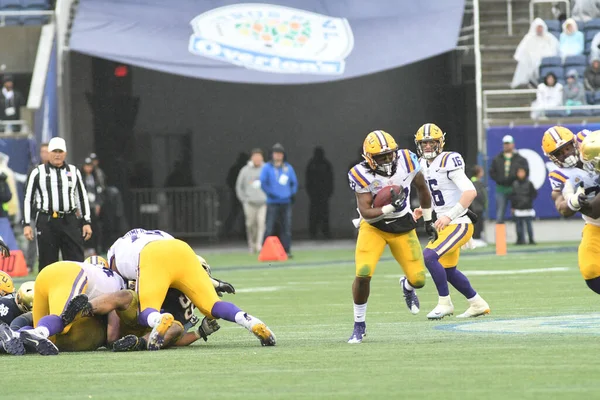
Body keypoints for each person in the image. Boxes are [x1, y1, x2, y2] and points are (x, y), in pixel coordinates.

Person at [104, 228, 276, 349]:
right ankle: (250, 321)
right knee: (212, 305)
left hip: (152, 254)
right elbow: (180, 265)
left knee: (146, 312)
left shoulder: (116, 250)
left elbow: (115, 282)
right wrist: (214, 283)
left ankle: (159, 320)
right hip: (183, 249)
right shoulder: (160, 234)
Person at [347, 130, 433, 343]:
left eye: (389, 155)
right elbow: (366, 212)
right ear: (369, 158)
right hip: (374, 227)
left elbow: (422, 187)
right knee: (363, 272)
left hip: (402, 226)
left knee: (419, 280)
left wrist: (429, 219)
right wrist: (387, 208)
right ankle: (359, 324)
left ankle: (407, 286)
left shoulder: (407, 160)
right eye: (380, 157)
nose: (387, 160)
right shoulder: (360, 173)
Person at [61, 255, 234, 352]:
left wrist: (199, 333)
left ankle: (138, 343)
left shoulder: (192, 303)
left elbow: (174, 338)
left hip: (147, 331)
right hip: (133, 315)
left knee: (176, 327)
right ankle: (82, 308)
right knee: (125, 295)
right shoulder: (169, 276)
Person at [414, 123, 490, 320]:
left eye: (432, 142)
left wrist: (450, 215)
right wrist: (424, 211)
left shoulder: (449, 160)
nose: (428, 146)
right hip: (446, 223)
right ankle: (477, 303)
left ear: (440, 143)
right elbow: (439, 196)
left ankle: (444, 303)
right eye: (424, 143)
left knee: (430, 256)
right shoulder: (422, 164)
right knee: (448, 271)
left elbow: (470, 191)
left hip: (458, 223)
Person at [1, 256, 126, 356]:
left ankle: (14, 334)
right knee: (62, 322)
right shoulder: (119, 283)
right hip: (71, 274)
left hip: (46, 273)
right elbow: (112, 335)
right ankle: (38, 331)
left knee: (42, 334)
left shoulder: (94, 270)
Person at [541, 126, 600, 296]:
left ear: (575, 142)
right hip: (596, 224)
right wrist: (573, 202)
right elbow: (560, 205)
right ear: (553, 158)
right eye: (559, 153)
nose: (565, 154)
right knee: (591, 271)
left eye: (567, 147)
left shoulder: (589, 142)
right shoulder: (559, 174)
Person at [22, 137, 93, 271]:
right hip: (47, 220)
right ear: (48, 153)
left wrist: (86, 221)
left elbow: (82, 198)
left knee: (76, 262)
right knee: (47, 263)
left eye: (60, 151)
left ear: (65, 153)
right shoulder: (38, 172)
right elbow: (28, 199)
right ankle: (47, 292)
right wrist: (26, 224)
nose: (57, 154)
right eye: (54, 151)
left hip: (69, 219)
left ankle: (77, 291)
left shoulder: (74, 171)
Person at [260, 143, 298, 256]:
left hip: (286, 202)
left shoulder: (287, 168)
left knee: (286, 227)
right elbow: (263, 182)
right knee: (270, 226)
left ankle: (286, 250)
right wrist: (271, 194)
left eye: (280, 153)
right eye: (276, 153)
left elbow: (294, 183)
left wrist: (290, 194)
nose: (278, 156)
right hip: (272, 202)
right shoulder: (267, 167)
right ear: (272, 155)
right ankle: (265, 251)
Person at [489, 135, 529, 224]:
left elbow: (525, 172)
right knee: (500, 213)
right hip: (501, 188)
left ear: (513, 144)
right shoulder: (497, 158)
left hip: (515, 189)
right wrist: (499, 180)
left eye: (508, 143)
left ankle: (520, 237)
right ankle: (500, 237)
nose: (506, 145)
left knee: (518, 214)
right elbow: (492, 172)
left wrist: (516, 181)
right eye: (505, 144)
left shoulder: (520, 159)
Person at [511, 18, 559, 88]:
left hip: (545, 60)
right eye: (538, 27)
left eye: (541, 27)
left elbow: (555, 48)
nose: (539, 29)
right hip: (531, 60)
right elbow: (522, 50)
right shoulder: (528, 38)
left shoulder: (549, 37)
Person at [235, 148, 267, 253]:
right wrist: (243, 199)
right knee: (250, 224)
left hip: (263, 202)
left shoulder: (266, 169)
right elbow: (239, 186)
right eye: (255, 156)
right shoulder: (245, 170)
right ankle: (251, 244)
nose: (257, 159)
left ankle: (259, 245)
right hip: (249, 202)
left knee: (261, 222)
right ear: (251, 158)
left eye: (259, 156)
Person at [305, 146, 334, 239]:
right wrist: (310, 192)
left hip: (323, 194)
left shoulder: (326, 164)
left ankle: (325, 232)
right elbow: (308, 180)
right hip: (314, 195)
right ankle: (313, 233)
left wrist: (329, 192)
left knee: (324, 214)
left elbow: (330, 180)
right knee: (314, 215)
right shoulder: (312, 164)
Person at [510, 167, 537, 245]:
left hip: (527, 207)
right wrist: (513, 206)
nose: (521, 174)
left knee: (529, 225)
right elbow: (513, 196)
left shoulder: (529, 183)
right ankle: (520, 240)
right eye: (519, 172)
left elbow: (534, 194)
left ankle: (531, 240)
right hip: (518, 208)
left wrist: (528, 200)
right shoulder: (514, 184)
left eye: (522, 172)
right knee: (518, 226)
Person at [224, 153, 249, 237]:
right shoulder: (240, 169)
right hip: (237, 195)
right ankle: (227, 231)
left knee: (243, 214)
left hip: (245, 195)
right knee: (237, 213)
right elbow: (230, 181)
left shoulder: (245, 169)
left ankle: (243, 232)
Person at [469, 165, 488, 247]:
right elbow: (478, 195)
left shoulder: (478, 182)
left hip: (479, 206)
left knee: (479, 222)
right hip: (476, 206)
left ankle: (478, 237)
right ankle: (476, 238)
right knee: (477, 223)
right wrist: (483, 202)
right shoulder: (475, 183)